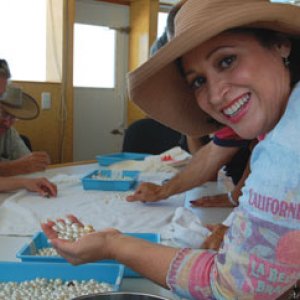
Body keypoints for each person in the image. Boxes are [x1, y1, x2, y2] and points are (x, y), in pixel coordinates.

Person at [42, 0, 300, 299]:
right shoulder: (276, 114)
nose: (215, 95)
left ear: (280, 44)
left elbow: (232, 289)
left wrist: (114, 244)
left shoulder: (288, 147)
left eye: (227, 60)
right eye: (199, 81)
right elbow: (214, 154)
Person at [0, 59, 50, 176]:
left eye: (12, 117)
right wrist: (15, 166)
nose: (7, 123)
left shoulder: (9, 133)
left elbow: (29, 163)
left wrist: (34, 162)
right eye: (3, 114)